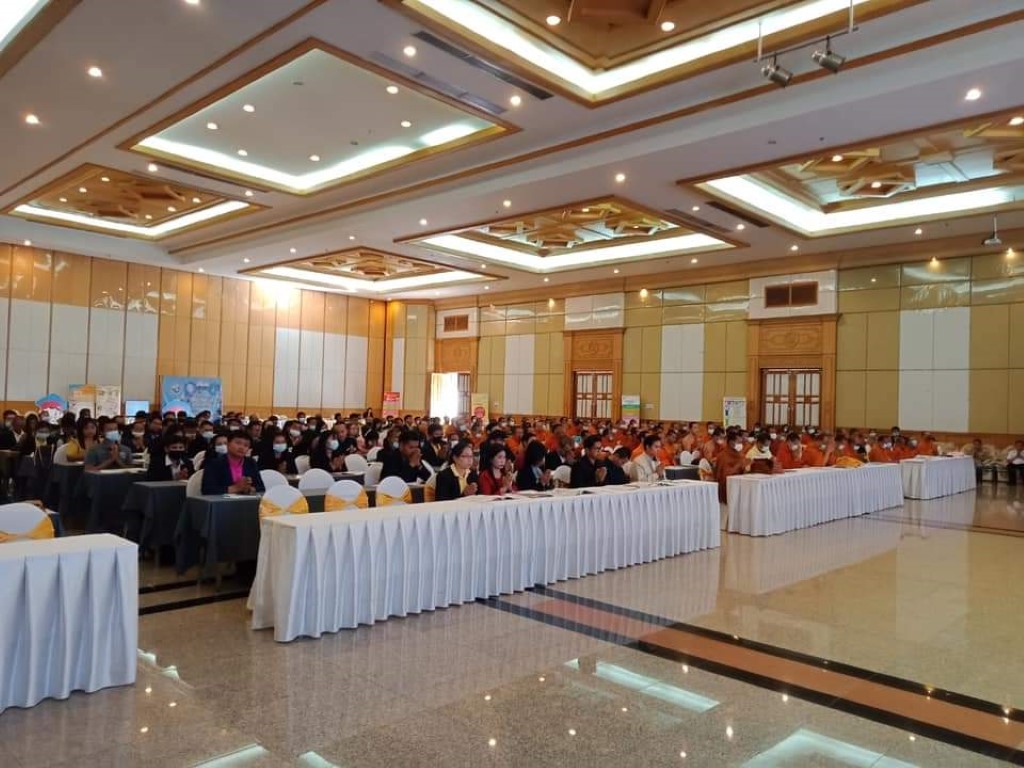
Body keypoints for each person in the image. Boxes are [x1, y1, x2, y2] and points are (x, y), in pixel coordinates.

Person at [201, 431, 265, 495]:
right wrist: (236, 488)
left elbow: (261, 488)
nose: (241, 447)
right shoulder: (214, 463)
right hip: (222, 500)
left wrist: (249, 489)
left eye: (246, 445)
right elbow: (207, 490)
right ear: (228, 444)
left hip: (245, 500)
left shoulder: (251, 462)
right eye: (238, 443)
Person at [714, 431, 746, 503]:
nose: (740, 445)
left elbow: (743, 469)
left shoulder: (739, 454)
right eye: (738, 442)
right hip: (727, 486)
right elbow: (724, 476)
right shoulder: (723, 456)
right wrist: (738, 466)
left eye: (741, 442)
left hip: (741, 483)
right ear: (731, 442)